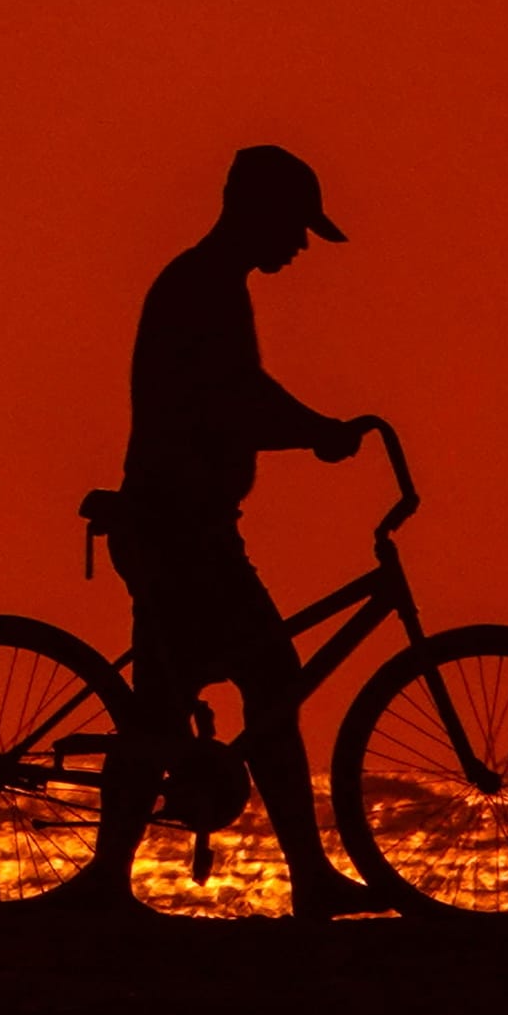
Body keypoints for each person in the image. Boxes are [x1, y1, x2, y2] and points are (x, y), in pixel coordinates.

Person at [96, 144, 377, 919]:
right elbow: (233, 400)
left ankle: (105, 882)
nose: (297, 246)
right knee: (270, 686)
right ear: (257, 213)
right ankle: (310, 880)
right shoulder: (202, 289)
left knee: (163, 705)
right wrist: (318, 432)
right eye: (294, 228)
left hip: (190, 524)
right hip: (180, 528)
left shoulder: (210, 285)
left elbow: (238, 398)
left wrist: (308, 429)